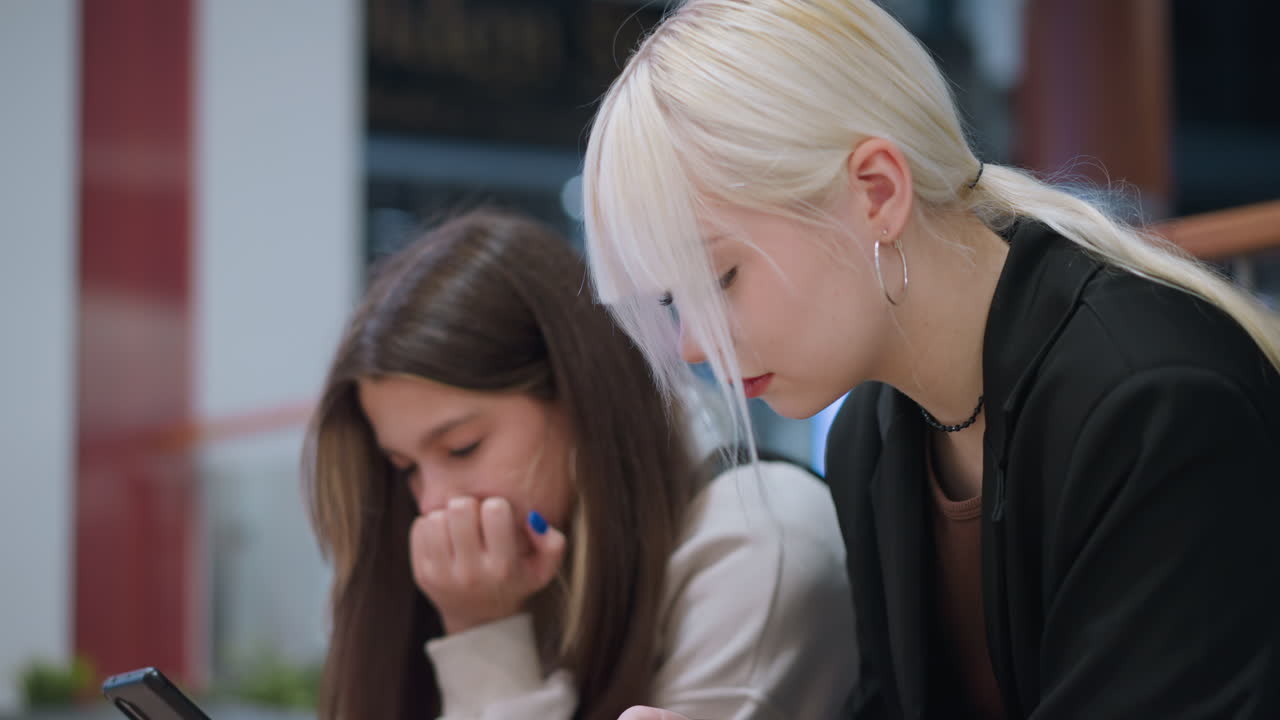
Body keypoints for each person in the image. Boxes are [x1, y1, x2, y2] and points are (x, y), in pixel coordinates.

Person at [581, 1, 1280, 718]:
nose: (694, 346)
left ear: (878, 191)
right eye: (673, 300)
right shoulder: (872, 437)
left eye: (721, 278)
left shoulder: (1149, 402)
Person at [302, 210, 857, 720]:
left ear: (577, 394)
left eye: (463, 447)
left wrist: (486, 637)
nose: (434, 504)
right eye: (407, 469)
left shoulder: (761, 542)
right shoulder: (536, 550)